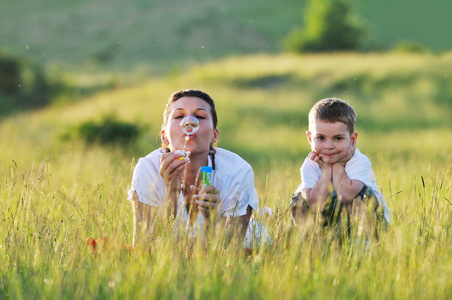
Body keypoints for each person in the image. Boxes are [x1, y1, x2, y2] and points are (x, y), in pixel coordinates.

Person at [127, 89, 261, 248]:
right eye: (179, 116)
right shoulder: (148, 169)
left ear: (214, 135)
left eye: (199, 117)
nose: (189, 123)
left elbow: (230, 251)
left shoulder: (238, 171)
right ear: (164, 136)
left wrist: (213, 217)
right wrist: (171, 192)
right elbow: (143, 247)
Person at [291, 98, 390, 234]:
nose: (329, 146)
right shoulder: (311, 163)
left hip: (366, 224)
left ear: (352, 139)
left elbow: (346, 195)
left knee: (362, 196)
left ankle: (364, 241)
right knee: (301, 199)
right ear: (310, 138)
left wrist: (336, 166)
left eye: (338, 138)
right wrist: (326, 170)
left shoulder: (359, 161)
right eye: (321, 138)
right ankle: (313, 238)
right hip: (327, 219)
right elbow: (316, 203)